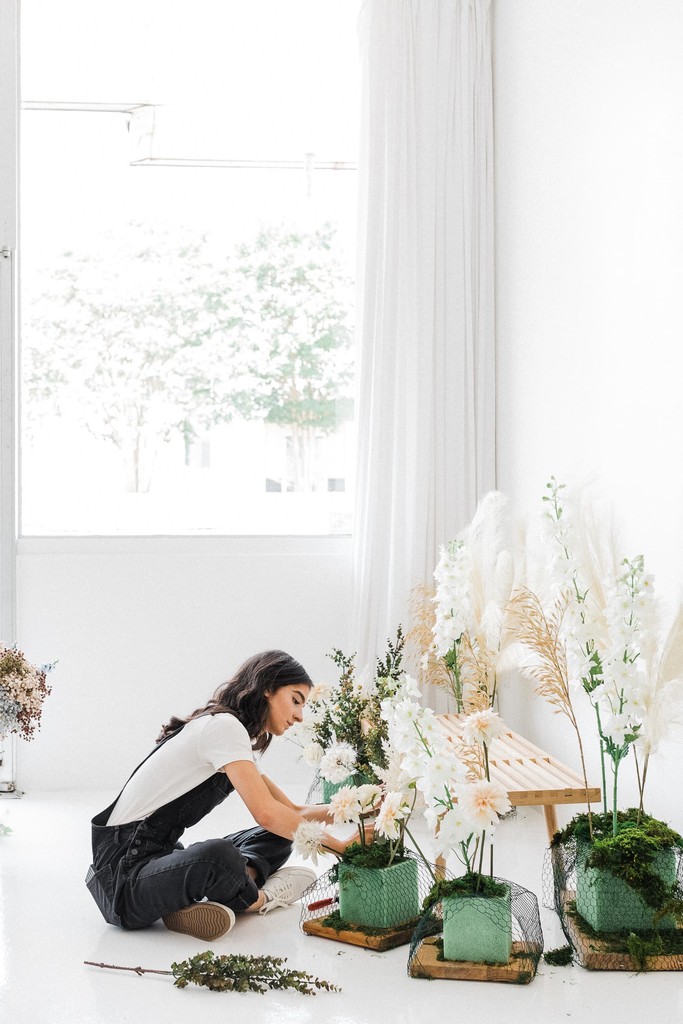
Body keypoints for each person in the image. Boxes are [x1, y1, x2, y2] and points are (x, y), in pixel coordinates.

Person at [86, 649, 354, 941]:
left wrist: (358, 807)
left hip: (157, 859)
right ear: (267, 688)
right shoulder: (224, 728)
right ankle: (259, 899)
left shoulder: (231, 733)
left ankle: (195, 896)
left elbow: (291, 811)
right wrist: (343, 849)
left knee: (282, 832)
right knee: (218, 856)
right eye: (295, 700)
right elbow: (266, 813)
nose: (300, 716)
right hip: (122, 884)